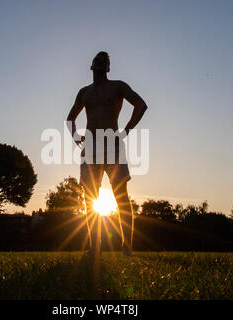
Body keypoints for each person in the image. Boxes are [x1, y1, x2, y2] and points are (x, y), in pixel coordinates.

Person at [66, 51, 148, 256]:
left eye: (105, 61)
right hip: (91, 146)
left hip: (113, 145)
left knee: (121, 195)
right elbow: (70, 118)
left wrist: (127, 130)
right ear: (91, 66)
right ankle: (95, 248)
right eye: (97, 60)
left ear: (109, 68)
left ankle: (127, 247)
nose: (101, 63)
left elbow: (141, 104)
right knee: (89, 196)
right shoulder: (84, 92)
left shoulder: (118, 86)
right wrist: (76, 136)